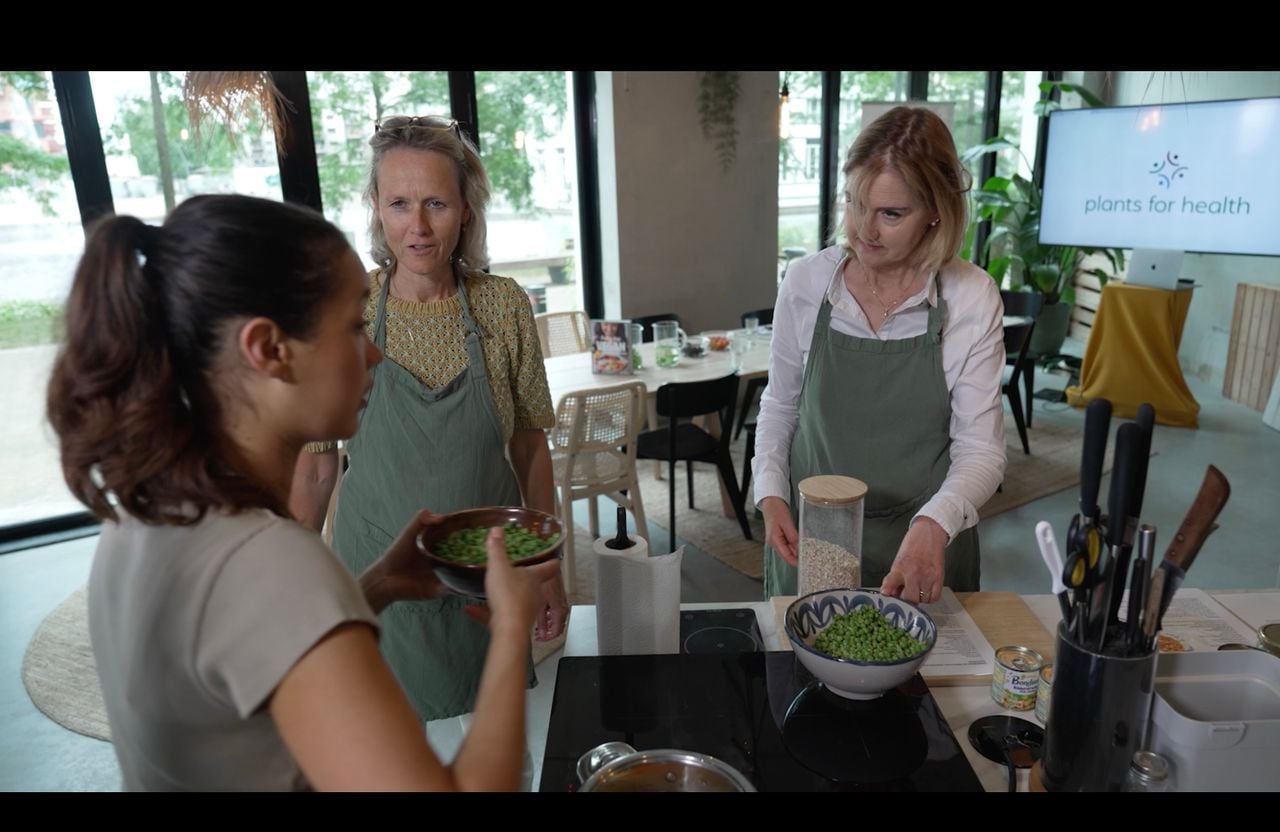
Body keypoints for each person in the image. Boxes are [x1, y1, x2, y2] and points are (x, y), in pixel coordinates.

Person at [46, 194, 559, 790]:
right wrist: (510, 629)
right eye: (351, 327)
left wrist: (379, 585)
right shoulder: (272, 562)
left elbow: (253, 655)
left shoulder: (141, 514)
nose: (374, 353)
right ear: (268, 349)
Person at [289, 115, 567, 723]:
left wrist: (546, 569)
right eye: (399, 204)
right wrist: (290, 591)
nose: (417, 227)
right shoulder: (345, 307)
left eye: (437, 203)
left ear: (466, 209)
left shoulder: (504, 305)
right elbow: (314, 470)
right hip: (377, 582)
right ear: (376, 208)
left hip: (486, 580)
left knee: (494, 750)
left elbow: (529, 448)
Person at [752, 106, 1007, 604]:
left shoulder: (971, 297)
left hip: (923, 542)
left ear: (936, 211)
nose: (864, 230)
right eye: (854, 203)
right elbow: (780, 404)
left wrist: (936, 524)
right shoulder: (807, 283)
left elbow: (981, 450)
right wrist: (770, 492)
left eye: (891, 214)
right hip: (815, 541)